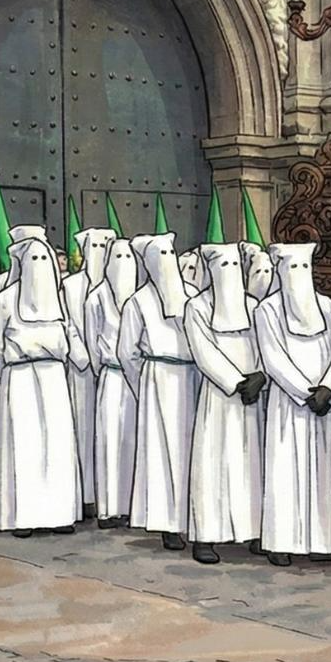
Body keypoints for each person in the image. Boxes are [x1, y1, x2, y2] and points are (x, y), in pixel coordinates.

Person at [0, 237, 81, 536]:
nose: (39, 266)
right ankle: (23, 517)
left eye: (44, 259)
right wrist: (12, 372)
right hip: (20, 379)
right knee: (24, 446)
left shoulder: (58, 298)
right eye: (33, 259)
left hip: (53, 380)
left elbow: (68, 336)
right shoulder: (5, 299)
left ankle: (59, 514)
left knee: (57, 447)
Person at [253, 243, 331, 567]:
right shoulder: (267, 310)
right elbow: (272, 357)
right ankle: (281, 541)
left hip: (322, 404)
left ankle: (322, 539)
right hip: (288, 403)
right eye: (292, 267)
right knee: (284, 470)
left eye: (304, 267)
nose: (299, 274)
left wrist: (329, 387)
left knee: (320, 471)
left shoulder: (326, 306)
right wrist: (304, 392)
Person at [181, 243, 266, 565]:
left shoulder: (253, 305)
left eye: (234, 265)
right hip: (219, 396)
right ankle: (206, 535)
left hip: (253, 396)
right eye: (223, 265)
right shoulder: (197, 307)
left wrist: (260, 375)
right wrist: (235, 381)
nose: (229, 272)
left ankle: (253, 530)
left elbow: (266, 343)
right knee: (213, 462)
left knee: (251, 463)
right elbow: (203, 351)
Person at [119, 233, 200, 551]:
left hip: (193, 376)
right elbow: (127, 352)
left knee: (192, 449)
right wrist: (145, 385)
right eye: (159, 256)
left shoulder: (192, 295)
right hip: (157, 380)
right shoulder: (137, 302)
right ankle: (167, 523)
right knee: (162, 453)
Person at [61, 227, 117, 520]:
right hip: (81, 370)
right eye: (95, 247)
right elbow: (68, 324)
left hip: (109, 370)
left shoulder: (118, 285)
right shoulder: (70, 286)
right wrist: (83, 357)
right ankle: (85, 497)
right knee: (83, 431)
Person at [85, 237, 141, 529]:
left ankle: (131, 506)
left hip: (135, 377)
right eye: (118, 257)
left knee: (132, 440)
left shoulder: (138, 298)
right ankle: (108, 509)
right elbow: (91, 340)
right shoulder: (96, 298)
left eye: (128, 257)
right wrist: (103, 369)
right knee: (109, 440)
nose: (124, 264)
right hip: (111, 375)